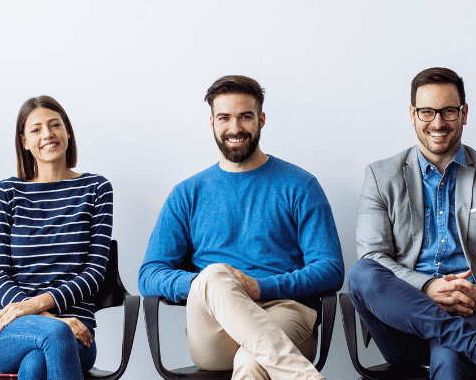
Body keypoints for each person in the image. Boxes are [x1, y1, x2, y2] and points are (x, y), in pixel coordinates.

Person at [139, 75, 344, 380]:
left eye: (245, 117)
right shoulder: (187, 193)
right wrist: (209, 287)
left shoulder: (300, 185)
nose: (235, 128)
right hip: (214, 329)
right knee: (213, 275)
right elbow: (150, 275)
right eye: (224, 118)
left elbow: (330, 268)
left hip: (285, 312)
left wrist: (262, 287)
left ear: (261, 120)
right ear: (211, 122)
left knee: (252, 363)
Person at [347, 67, 476, 380]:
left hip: (471, 311)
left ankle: (471, 343)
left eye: (448, 111)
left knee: (450, 353)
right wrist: (429, 287)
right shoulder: (380, 176)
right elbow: (373, 257)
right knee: (360, 273)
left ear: (464, 113)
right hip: (402, 324)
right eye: (427, 112)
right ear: (412, 114)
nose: (437, 123)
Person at [0, 95, 113, 380]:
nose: (48, 134)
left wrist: (36, 305)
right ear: (24, 142)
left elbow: (94, 273)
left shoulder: (96, 188)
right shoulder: (7, 192)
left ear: (67, 131)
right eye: (36, 129)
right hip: (7, 330)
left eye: (55, 125)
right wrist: (45, 317)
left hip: (78, 332)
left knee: (35, 365)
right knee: (54, 333)